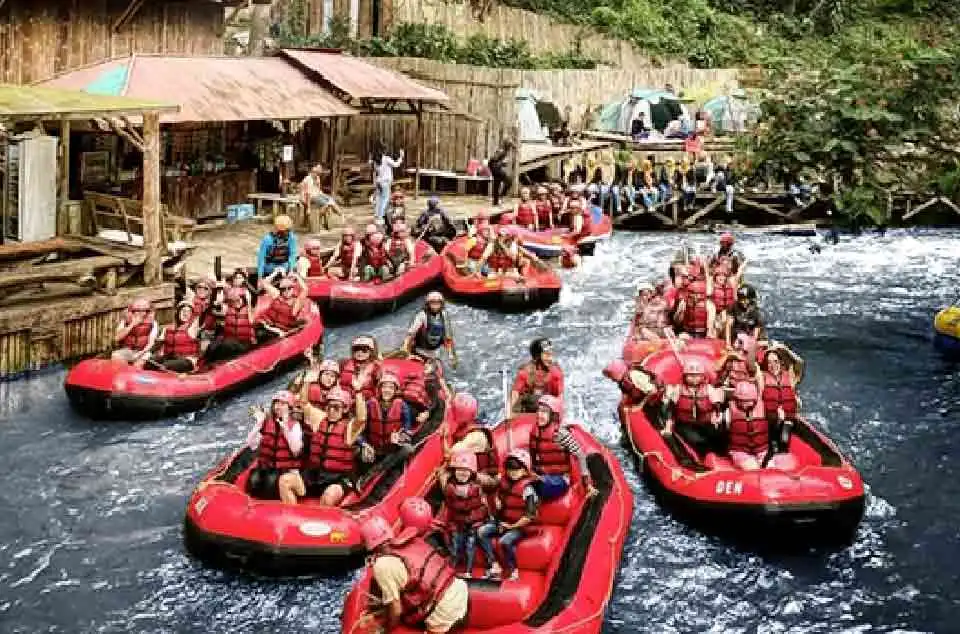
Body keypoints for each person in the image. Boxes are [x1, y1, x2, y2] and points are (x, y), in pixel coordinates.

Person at [360, 515, 468, 634]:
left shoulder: (381, 565)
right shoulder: (412, 539)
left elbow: (396, 610)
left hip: (444, 614)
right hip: (461, 590)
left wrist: (386, 630)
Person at [295, 386, 365, 505]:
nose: (332, 410)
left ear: (345, 409)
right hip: (315, 474)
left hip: (338, 477)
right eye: (329, 406)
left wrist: (358, 392)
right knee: (285, 481)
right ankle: (291, 516)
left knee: (328, 497)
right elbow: (303, 403)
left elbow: (361, 418)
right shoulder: (320, 419)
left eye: (336, 407)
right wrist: (307, 380)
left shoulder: (349, 428)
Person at [476, 448, 538, 581]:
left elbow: (529, 516)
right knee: (481, 532)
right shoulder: (504, 482)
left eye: (516, 469)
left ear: (525, 470)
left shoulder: (528, 489)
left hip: (519, 526)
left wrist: (510, 526)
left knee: (505, 541)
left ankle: (513, 569)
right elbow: (497, 495)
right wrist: (497, 504)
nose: (512, 473)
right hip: (503, 522)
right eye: (510, 469)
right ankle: (494, 564)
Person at [529, 395, 597, 501]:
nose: (539, 414)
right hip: (542, 473)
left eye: (544, 412)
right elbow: (532, 456)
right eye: (538, 410)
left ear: (553, 416)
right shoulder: (535, 431)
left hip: (560, 478)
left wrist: (586, 483)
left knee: (542, 486)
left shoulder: (561, 434)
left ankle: (536, 493)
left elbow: (581, 455)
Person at [246, 390, 305, 503]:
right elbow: (251, 444)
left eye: (283, 404)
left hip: (286, 470)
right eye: (276, 403)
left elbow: (296, 450)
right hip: (267, 467)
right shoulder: (267, 423)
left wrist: (286, 429)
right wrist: (259, 424)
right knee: (253, 481)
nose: (278, 407)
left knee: (271, 483)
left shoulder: (295, 425)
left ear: (289, 407)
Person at [723, 381, 797, 470]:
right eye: (742, 401)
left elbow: (776, 420)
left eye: (748, 401)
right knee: (753, 468)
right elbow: (722, 432)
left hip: (762, 450)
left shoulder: (764, 408)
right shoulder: (729, 413)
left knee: (771, 468)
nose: (745, 404)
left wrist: (780, 417)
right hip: (740, 451)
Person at [439, 450, 489, 578]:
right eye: (459, 470)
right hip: (457, 524)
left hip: (472, 524)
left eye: (466, 470)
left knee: (470, 545)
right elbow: (449, 508)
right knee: (455, 544)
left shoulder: (477, 488)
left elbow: (482, 508)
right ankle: (452, 568)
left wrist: (474, 520)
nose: (462, 473)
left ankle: (469, 570)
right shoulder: (450, 488)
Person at [661, 359, 724, 459]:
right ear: (685, 377)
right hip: (685, 424)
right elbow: (670, 409)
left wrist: (717, 417)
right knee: (696, 440)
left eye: (697, 375)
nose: (694, 378)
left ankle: (718, 455)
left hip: (705, 423)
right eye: (690, 376)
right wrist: (668, 425)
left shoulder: (709, 390)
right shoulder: (678, 390)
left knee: (718, 435)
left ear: (703, 376)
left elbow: (717, 407)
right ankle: (699, 457)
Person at [357, 373, 414, 461]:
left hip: (392, 449)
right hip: (373, 448)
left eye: (391, 387)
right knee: (360, 454)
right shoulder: (370, 404)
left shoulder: (402, 405)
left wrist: (400, 438)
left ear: (395, 390)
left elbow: (407, 429)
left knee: (408, 449)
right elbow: (359, 430)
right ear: (380, 389)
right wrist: (364, 444)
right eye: (384, 387)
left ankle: (389, 467)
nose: (387, 390)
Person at [760, 345, 803, 452]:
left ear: (780, 362)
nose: (773, 365)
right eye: (769, 362)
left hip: (786, 421)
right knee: (772, 446)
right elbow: (751, 365)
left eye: (775, 361)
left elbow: (799, 363)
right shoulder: (762, 377)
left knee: (783, 440)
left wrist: (785, 349)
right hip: (769, 421)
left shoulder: (789, 377)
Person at [401, 291, 457, 365]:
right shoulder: (422, 315)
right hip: (419, 350)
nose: (435, 305)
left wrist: (451, 354)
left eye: (438, 302)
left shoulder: (444, 315)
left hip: (435, 351)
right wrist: (405, 349)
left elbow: (447, 337)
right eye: (433, 302)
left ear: (441, 304)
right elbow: (410, 334)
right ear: (428, 304)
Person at [511, 337, 563, 414]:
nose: (550, 358)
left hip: (548, 412)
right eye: (546, 354)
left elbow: (559, 398)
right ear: (537, 356)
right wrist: (511, 418)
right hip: (527, 410)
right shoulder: (524, 372)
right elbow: (515, 395)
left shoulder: (556, 374)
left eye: (551, 354)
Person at [204, 287, 256, 363]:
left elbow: (251, 317)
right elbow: (213, 310)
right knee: (213, 346)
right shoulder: (227, 309)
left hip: (244, 343)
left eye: (238, 300)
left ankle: (218, 362)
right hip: (229, 341)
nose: (235, 303)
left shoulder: (249, 310)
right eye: (232, 301)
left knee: (227, 344)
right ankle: (208, 364)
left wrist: (248, 299)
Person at [151, 301, 201, 372]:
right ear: (178, 312)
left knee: (165, 365)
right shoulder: (167, 329)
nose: (185, 314)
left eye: (189, 312)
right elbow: (157, 345)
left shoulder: (192, 328)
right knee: (151, 361)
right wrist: (149, 354)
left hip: (187, 360)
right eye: (183, 311)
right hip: (171, 358)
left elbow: (199, 316)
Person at [256, 273, 307, 340]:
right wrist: (274, 274)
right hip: (264, 326)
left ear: (293, 289)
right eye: (283, 289)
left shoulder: (296, 302)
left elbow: (305, 289)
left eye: (289, 288)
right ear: (280, 289)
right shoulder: (276, 294)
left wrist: (296, 276)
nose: (286, 291)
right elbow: (262, 282)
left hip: (277, 333)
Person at [112, 298, 158, 365]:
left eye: (144, 310)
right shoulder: (125, 321)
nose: (141, 313)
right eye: (138, 310)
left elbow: (151, 343)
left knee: (139, 364)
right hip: (128, 350)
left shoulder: (153, 323)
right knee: (116, 356)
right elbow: (117, 338)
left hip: (144, 351)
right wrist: (132, 324)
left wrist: (141, 353)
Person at [300, 164, 343, 230]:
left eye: (318, 173)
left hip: (316, 194)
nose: (317, 174)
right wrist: (308, 208)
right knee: (326, 204)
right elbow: (308, 194)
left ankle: (340, 215)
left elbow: (318, 189)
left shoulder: (317, 178)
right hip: (308, 197)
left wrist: (323, 195)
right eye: (316, 173)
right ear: (312, 172)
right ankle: (318, 219)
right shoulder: (308, 179)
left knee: (331, 200)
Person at [340, 335, 381, 400]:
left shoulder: (376, 368)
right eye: (356, 349)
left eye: (364, 350)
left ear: (371, 352)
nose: (360, 352)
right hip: (342, 401)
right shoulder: (343, 363)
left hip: (364, 402)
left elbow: (379, 389)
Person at [257, 215, 298, 280]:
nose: (286, 233)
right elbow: (261, 259)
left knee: (302, 263)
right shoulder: (267, 239)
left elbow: (292, 255)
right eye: (283, 231)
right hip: (270, 266)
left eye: (287, 230)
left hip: (285, 265)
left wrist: (291, 270)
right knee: (278, 270)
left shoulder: (291, 237)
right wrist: (260, 277)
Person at [372, 143, 404, 224]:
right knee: (385, 199)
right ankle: (380, 217)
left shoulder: (376, 160)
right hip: (385, 182)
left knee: (379, 199)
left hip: (379, 181)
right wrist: (401, 157)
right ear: (383, 151)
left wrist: (375, 183)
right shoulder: (386, 159)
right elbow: (396, 165)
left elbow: (375, 172)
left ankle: (377, 216)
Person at [488, 139, 515, 207]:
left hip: (496, 169)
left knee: (497, 185)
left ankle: (495, 202)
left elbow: (495, 162)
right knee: (509, 181)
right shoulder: (501, 151)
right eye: (509, 146)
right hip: (496, 169)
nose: (510, 148)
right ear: (507, 145)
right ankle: (501, 197)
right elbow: (491, 162)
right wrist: (502, 163)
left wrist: (502, 164)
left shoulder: (503, 151)